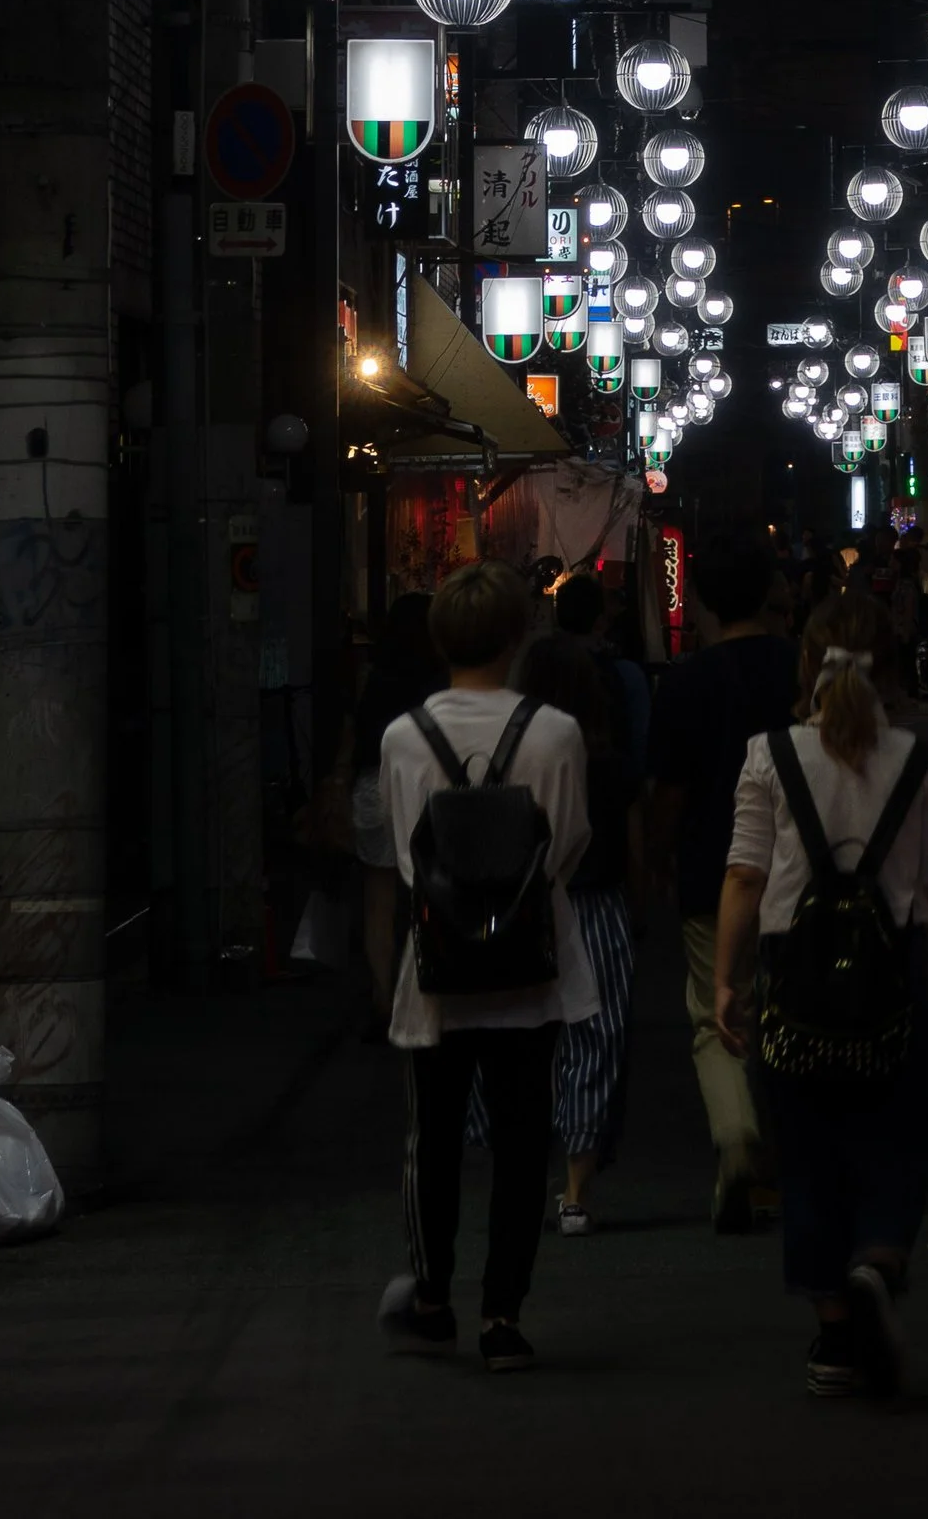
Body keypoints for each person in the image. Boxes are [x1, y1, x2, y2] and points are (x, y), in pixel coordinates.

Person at [713, 589, 928, 1399]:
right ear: (888, 672)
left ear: (809, 664)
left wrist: (725, 980)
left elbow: (746, 876)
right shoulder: (924, 761)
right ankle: (879, 1260)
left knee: (808, 1154)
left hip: (794, 974)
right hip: (893, 971)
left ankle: (832, 1339)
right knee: (900, 1134)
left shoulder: (769, 755)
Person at [376, 560, 594, 1371]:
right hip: (529, 967)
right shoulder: (556, 732)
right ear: (516, 637)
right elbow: (567, 843)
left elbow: (408, 856)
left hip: (436, 970)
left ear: (440, 641)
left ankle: (433, 1295)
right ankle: (503, 1315)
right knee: (521, 1140)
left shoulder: (404, 737)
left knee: (431, 1139)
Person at [646, 541, 800, 1229]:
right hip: (802, 868)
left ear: (701, 598)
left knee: (718, 1015)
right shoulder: (801, 669)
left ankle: (738, 1139)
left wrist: (657, 853)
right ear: (770, 592)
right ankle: (796, 1159)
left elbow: (671, 790)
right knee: (793, 1014)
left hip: (713, 867)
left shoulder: (685, 683)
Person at [519, 631, 644, 1230]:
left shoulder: (515, 759)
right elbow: (634, 848)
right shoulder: (609, 763)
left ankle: (525, 1171)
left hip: (528, 910)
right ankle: (575, 1191)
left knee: (528, 1038)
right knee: (596, 1043)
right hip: (598, 906)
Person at [348, 592, 439, 1030]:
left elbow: (357, 734)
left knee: (378, 902)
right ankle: (422, 996)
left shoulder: (375, 679)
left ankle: (380, 998)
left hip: (373, 787)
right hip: (425, 790)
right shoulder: (440, 681)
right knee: (429, 898)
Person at [554, 566, 651, 764]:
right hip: (613, 785)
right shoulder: (627, 675)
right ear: (600, 621)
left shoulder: (541, 668)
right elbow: (640, 741)